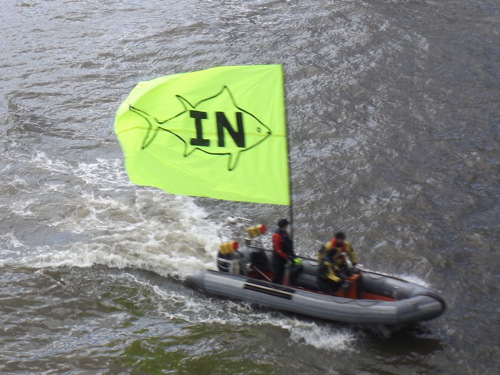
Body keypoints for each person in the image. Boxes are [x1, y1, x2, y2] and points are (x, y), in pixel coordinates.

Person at [271, 218, 299, 284]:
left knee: (282, 273)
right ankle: (274, 287)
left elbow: (288, 244)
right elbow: (278, 250)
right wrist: (287, 257)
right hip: (278, 259)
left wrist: (292, 255)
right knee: (278, 274)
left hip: (284, 257)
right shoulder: (277, 235)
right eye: (286, 225)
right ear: (284, 226)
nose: (287, 226)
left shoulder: (284, 233)